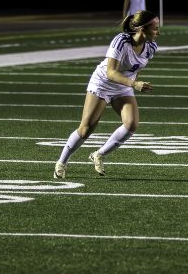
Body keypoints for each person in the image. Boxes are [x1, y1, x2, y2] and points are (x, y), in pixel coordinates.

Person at [53, 10, 159, 179]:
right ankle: (62, 162)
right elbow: (111, 72)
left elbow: (136, 68)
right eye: (155, 28)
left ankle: (99, 154)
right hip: (103, 83)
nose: (158, 32)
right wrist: (134, 84)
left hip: (123, 87)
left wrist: (133, 83)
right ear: (141, 29)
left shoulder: (151, 47)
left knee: (131, 124)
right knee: (86, 129)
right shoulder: (121, 41)